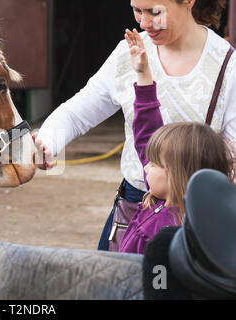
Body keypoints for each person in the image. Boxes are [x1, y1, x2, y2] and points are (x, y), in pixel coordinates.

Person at [32, 0, 236, 251]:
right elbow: (77, 112)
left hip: (194, 215)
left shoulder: (227, 65)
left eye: (155, 12)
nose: (144, 22)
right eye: (137, 10)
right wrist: (46, 142)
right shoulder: (130, 52)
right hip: (133, 208)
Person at [119, 29, 234, 254]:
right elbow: (146, 135)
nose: (146, 166)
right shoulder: (175, 207)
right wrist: (143, 76)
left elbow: (158, 284)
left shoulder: (164, 234)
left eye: (153, 164)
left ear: (176, 172)